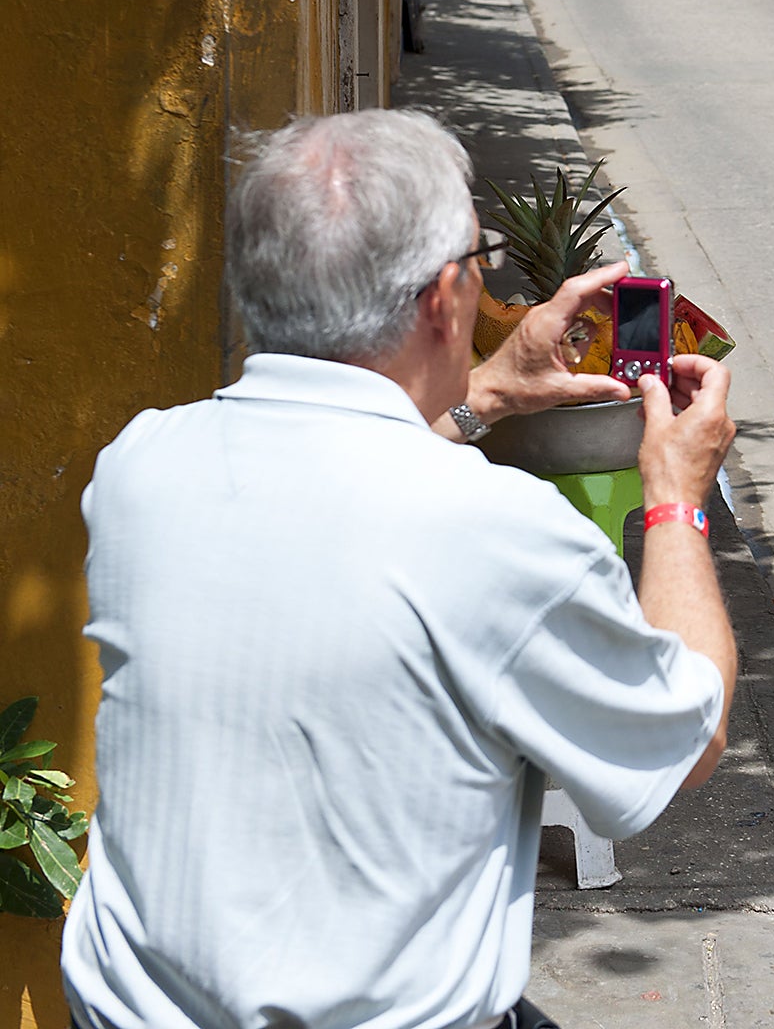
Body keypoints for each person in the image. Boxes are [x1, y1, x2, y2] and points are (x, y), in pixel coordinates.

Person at [63, 109, 739, 1026]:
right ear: (439, 299)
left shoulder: (139, 468)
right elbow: (686, 741)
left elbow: (338, 501)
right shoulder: (501, 531)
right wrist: (675, 494)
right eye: (478, 260)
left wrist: (484, 393)